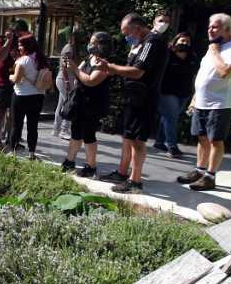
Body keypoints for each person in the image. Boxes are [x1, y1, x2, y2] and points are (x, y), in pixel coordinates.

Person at [95, 13, 168, 194]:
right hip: (133, 97)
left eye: (128, 32)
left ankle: (135, 181)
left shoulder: (152, 41)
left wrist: (111, 68)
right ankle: (122, 172)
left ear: (137, 28)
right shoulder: (140, 43)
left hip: (143, 99)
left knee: (137, 140)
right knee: (128, 137)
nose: (127, 37)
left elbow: (137, 71)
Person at [176, 14, 231, 192]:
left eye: (214, 27)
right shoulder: (213, 47)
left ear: (227, 30)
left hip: (220, 103)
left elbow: (224, 72)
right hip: (202, 101)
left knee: (215, 139)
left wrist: (215, 51)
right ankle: (199, 170)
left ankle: (210, 176)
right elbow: (204, 73)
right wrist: (195, 97)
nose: (210, 30)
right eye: (209, 26)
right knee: (201, 137)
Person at [60, 32, 112, 178]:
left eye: (94, 42)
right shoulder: (89, 58)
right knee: (76, 132)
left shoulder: (104, 63)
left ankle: (91, 166)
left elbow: (90, 80)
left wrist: (75, 69)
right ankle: (69, 161)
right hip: (80, 101)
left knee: (88, 134)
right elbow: (79, 74)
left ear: (102, 45)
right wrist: (70, 67)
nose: (91, 45)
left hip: (93, 104)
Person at [153, 32, 198, 158]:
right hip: (167, 91)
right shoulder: (168, 54)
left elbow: (195, 75)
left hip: (184, 93)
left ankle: (159, 141)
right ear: (175, 41)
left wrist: (194, 93)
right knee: (171, 118)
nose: (184, 43)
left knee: (168, 117)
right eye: (182, 40)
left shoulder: (192, 56)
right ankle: (172, 147)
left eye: (187, 42)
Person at [8, 35, 49, 160]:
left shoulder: (22, 61)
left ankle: (12, 151)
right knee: (33, 126)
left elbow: (16, 79)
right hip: (38, 96)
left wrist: (10, 76)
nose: (19, 47)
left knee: (16, 124)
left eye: (21, 45)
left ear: (26, 46)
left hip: (21, 96)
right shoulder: (41, 59)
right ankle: (32, 153)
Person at [0, 26, 19, 150]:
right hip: (1, 82)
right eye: (10, 30)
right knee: (0, 113)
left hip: (15, 82)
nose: (11, 33)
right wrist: (8, 41)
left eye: (13, 31)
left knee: (12, 114)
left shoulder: (18, 42)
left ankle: (9, 140)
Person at [54, 27, 78, 138]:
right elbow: (64, 66)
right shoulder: (69, 49)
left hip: (64, 79)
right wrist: (68, 81)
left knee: (61, 104)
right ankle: (64, 130)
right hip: (65, 79)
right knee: (69, 104)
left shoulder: (68, 48)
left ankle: (56, 129)